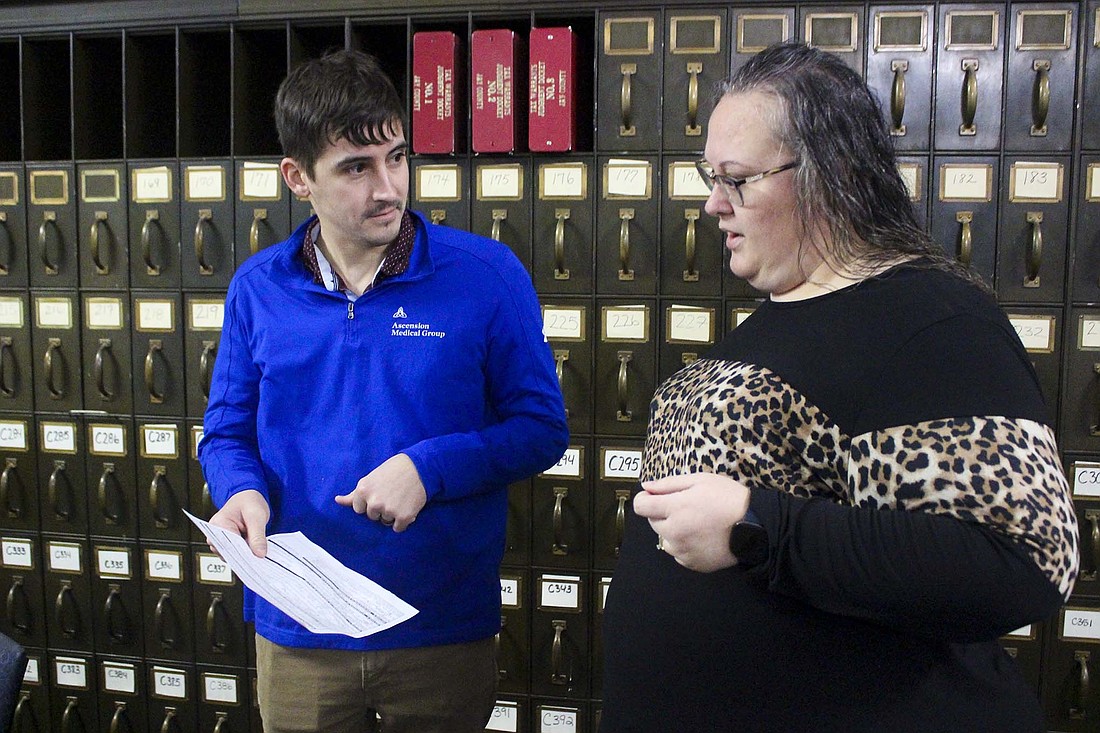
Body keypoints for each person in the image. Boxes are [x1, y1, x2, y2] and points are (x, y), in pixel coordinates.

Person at [599, 42, 1078, 733]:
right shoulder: (777, 317)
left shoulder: (932, 319)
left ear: (833, 173)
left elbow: (1022, 560)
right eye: (712, 177)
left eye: (737, 179)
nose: (713, 204)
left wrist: (758, 529)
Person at [198, 49, 568, 733]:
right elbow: (225, 431)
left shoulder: (485, 275)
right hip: (300, 628)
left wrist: (430, 468)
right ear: (298, 178)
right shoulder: (258, 287)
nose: (388, 188)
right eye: (356, 168)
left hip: (438, 628)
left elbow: (542, 428)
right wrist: (240, 490)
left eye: (396, 158)